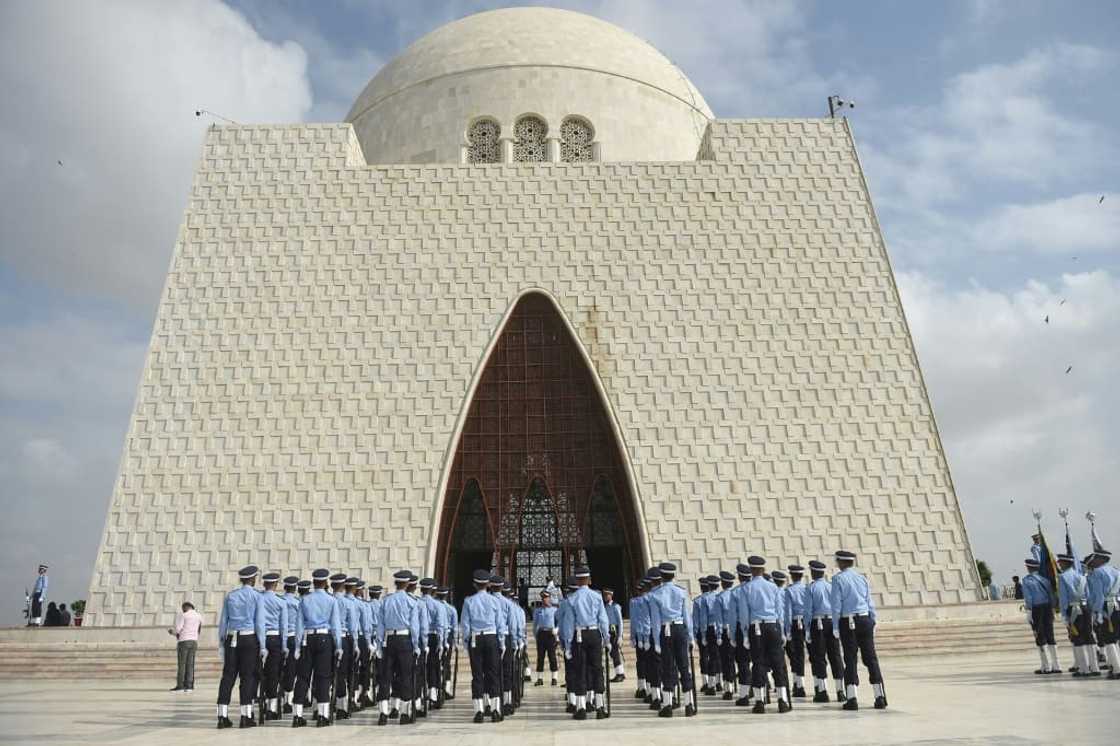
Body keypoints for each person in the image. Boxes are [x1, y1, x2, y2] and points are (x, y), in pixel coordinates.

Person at [831, 550, 886, 710]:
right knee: (871, 658)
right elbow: (870, 602)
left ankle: (852, 698)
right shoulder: (862, 578)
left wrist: (835, 626)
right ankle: (879, 696)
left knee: (850, 659)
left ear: (841, 562)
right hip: (865, 619)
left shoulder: (838, 579)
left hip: (848, 621)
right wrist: (873, 621)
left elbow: (836, 606)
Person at [738, 556, 791, 714]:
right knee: (777, 662)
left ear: (751, 570)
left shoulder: (745, 588)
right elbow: (779, 610)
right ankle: (782, 701)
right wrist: (781, 630)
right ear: (763, 569)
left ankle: (760, 702)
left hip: (757, 628)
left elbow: (744, 614)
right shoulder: (773, 587)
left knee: (758, 663)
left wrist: (745, 634)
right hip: (773, 625)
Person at [216, 564, 266, 729]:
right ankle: (245, 716)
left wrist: (222, 643)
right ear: (252, 579)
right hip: (249, 638)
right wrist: (263, 645)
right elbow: (259, 623)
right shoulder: (257, 596)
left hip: (232, 638)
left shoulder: (231, 596)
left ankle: (222, 716)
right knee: (247, 677)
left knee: (228, 676)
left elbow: (224, 622)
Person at [291, 569, 342, 728]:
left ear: (313, 582)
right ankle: (322, 715)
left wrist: (297, 646)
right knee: (323, 677)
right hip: (324, 639)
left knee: (303, 677)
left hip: (307, 638)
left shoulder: (305, 600)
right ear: (326, 583)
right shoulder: (331, 600)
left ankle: (297, 715)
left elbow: (299, 625)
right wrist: (338, 645)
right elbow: (335, 625)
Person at [647, 562, 696, 718]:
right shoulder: (681, 592)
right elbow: (687, 616)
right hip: (680, 629)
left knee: (667, 668)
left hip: (665, 631)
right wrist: (691, 636)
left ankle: (667, 705)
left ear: (661, 576)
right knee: (684, 666)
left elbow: (655, 622)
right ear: (674, 575)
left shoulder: (656, 594)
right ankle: (689, 704)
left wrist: (656, 641)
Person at [562, 565, 609, 720]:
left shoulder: (572, 599)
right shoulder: (596, 596)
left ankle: (581, 708)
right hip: (594, 633)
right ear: (588, 580)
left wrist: (568, 645)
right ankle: (600, 707)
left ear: (577, 579)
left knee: (580, 670)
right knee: (597, 669)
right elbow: (603, 619)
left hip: (580, 634)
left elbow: (569, 624)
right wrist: (606, 638)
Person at [460, 568, 507, 723]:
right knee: (493, 674)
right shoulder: (495, 601)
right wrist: (501, 642)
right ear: (488, 584)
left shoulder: (469, 601)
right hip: (491, 637)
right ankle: (495, 710)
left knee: (477, 676)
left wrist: (466, 643)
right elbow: (500, 624)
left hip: (476, 639)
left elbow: (465, 625)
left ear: (475, 584)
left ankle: (479, 711)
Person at [376, 569, 421, 725]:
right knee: (405, 676)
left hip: (389, 640)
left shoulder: (386, 600)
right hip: (404, 639)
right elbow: (415, 626)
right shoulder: (411, 601)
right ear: (408, 583)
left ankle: (383, 713)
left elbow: (380, 625)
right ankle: (404, 713)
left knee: (385, 677)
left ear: (396, 583)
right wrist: (416, 645)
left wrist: (380, 644)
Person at [802, 559, 846, 702]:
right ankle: (841, 690)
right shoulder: (830, 586)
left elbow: (808, 611)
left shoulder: (811, 588)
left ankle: (822, 691)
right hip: (832, 622)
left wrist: (807, 629)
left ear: (814, 572)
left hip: (818, 623)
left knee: (819, 657)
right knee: (836, 656)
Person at [1057, 553, 1100, 677]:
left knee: (1078, 638)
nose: (1059, 564)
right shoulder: (1081, 576)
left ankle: (1084, 669)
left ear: (1065, 563)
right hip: (1085, 608)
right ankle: (1095, 667)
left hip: (1073, 609)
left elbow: (1064, 598)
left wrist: (1064, 615)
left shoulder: (1063, 577)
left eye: (1060, 562)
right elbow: (1089, 595)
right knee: (1089, 636)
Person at [257, 572, 289, 721]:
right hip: (275, 639)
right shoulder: (280, 601)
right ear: (276, 585)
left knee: (256, 673)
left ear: (264, 584)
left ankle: (253, 703)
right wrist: (284, 645)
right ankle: (272, 708)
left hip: (258, 638)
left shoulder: (258, 598)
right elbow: (284, 626)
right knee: (273, 673)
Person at [1022, 558, 1060, 674]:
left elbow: (1029, 598)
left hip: (1036, 610)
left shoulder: (1027, 580)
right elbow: (1052, 596)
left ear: (1028, 568)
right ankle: (1057, 665)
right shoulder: (1045, 580)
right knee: (1050, 635)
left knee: (1040, 636)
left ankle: (1046, 666)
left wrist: (1029, 611)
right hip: (1048, 608)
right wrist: (1053, 608)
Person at [1086, 550, 1120, 678]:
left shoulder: (1097, 573)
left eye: (1095, 559)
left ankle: (1117, 669)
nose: (1092, 562)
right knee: (1117, 638)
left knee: (1109, 639)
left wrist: (1097, 612)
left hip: (1106, 608)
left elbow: (1099, 596)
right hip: (1117, 605)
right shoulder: (1116, 571)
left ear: (1100, 559)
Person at [419, 578, 447, 711]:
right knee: (433, 666)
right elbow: (441, 626)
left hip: (419, 637)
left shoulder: (416, 603)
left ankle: (419, 694)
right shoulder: (438, 605)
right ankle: (433, 694)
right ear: (432, 590)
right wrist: (442, 643)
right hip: (433, 636)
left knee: (419, 666)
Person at [729, 563, 753, 705]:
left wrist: (732, 635)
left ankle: (744, 694)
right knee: (759, 660)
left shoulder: (736, 592)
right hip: (759, 626)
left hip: (741, 628)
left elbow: (733, 617)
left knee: (743, 662)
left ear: (739, 576)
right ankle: (762, 692)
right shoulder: (757, 588)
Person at [784, 565, 808, 697]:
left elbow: (787, 613)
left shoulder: (790, 591)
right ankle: (819, 686)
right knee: (815, 655)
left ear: (792, 576)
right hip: (808, 622)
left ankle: (799, 685)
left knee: (798, 654)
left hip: (795, 623)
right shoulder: (807, 589)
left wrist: (787, 630)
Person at [169, 601, 203, 692]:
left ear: (185, 607)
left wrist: (171, 632)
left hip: (184, 641)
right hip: (194, 641)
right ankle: (189, 686)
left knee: (182, 664)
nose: (182, 610)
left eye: (183, 608)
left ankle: (180, 686)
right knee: (190, 664)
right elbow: (199, 629)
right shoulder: (199, 616)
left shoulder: (184, 615)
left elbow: (178, 630)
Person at [279, 576, 301, 712]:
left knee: (277, 669)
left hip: (278, 637)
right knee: (291, 669)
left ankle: (275, 700)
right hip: (292, 638)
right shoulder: (297, 603)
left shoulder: (279, 601)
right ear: (295, 588)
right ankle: (288, 699)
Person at [534, 589, 559, 686]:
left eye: (546, 598)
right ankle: (539, 678)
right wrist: (536, 635)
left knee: (552, 657)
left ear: (550, 598)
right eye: (543, 598)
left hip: (551, 634)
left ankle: (554, 678)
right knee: (540, 657)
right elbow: (535, 624)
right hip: (541, 634)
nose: (545, 600)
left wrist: (557, 631)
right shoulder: (538, 610)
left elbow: (559, 622)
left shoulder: (554, 610)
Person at [435, 586, 457, 700]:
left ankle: (434, 690)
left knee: (434, 663)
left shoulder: (434, 606)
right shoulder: (451, 609)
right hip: (447, 636)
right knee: (446, 663)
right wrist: (455, 641)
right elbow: (454, 627)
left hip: (434, 636)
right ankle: (446, 688)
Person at [603, 587, 625, 682]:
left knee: (615, 652)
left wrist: (620, 635)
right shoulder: (605, 606)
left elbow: (620, 622)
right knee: (612, 653)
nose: (605, 597)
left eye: (607, 595)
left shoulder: (616, 606)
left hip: (615, 631)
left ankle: (620, 673)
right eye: (604, 595)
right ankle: (619, 672)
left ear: (611, 596)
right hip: (608, 631)